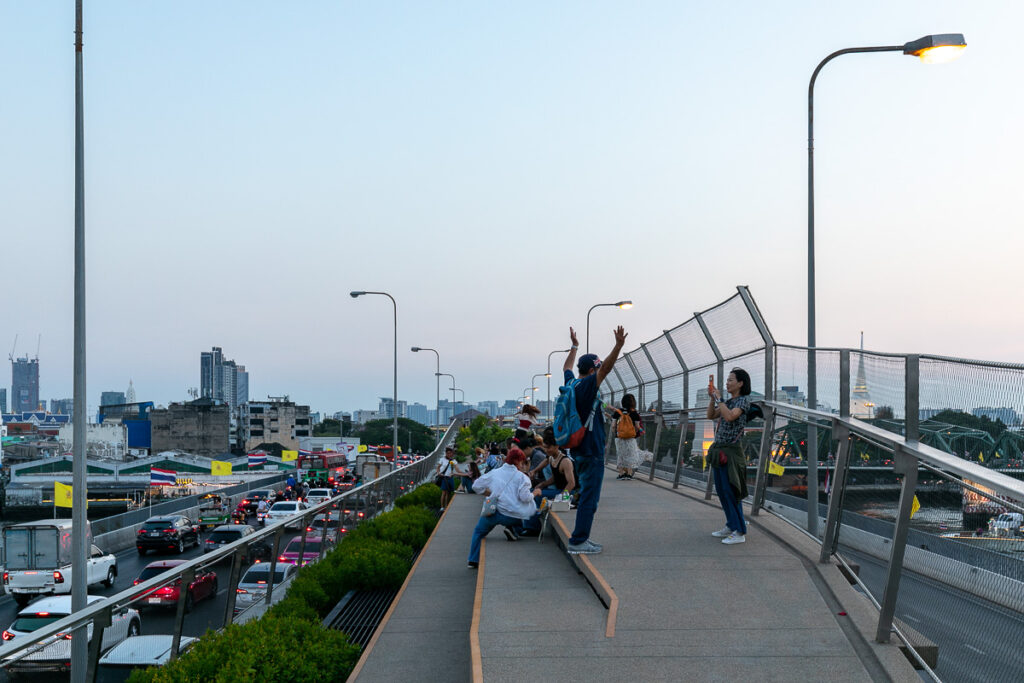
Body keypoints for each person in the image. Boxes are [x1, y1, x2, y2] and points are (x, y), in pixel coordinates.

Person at [562, 325, 626, 555]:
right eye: (596, 369)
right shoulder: (588, 386)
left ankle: (581, 538)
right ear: (591, 371)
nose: (599, 371)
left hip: (578, 448)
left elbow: (566, 367)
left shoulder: (572, 384)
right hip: (591, 450)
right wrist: (618, 346)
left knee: (586, 494)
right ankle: (578, 541)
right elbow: (606, 370)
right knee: (590, 498)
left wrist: (574, 346)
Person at [467, 447, 537, 567]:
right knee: (523, 514)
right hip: (511, 516)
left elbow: (476, 486)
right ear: (518, 462)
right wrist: (536, 493)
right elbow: (525, 498)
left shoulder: (495, 473)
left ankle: (473, 560)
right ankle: (513, 530)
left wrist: (489, 493)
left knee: (478, 532)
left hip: (492, 513)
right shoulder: (522, 477)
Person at [707, 367, 753, 545]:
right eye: (727, 380)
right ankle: (731, 524)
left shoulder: (743, 401)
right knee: (722, 490)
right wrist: (713, 399)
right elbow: (711, 415)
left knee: (731, 490)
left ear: (740, 383)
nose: (727, 383)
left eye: (731, 380)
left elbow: (730, 417)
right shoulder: (728, 401)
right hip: (720, 450)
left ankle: (740, 531)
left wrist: (719, 399)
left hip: (732, 452)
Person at [613, 393, 647, 480]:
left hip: (619, 437)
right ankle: (629, 474)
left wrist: (616, 434)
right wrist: (642, 431)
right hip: (631, 438)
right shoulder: (634, 413)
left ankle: (621, 474)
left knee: (621, 455)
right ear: (633, 402)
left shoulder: (617, 412)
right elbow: (637, 427)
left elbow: (613, 426)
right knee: (630, 455)